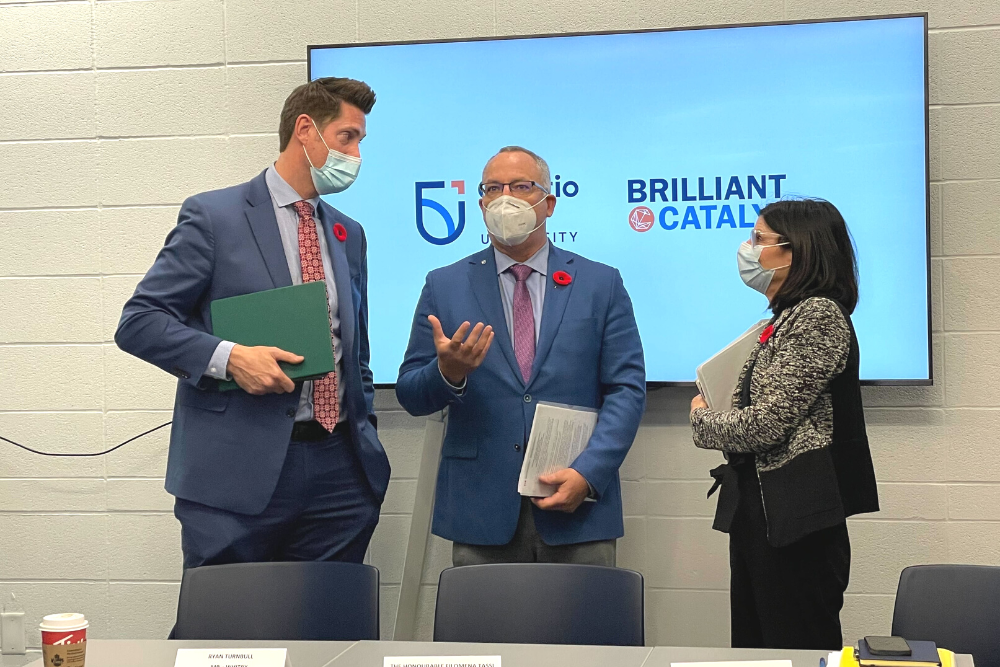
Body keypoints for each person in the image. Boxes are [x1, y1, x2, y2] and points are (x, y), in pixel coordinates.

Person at [115, 77, 390, 569]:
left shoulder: (351, 234)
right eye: (348, 137)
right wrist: (230, 358)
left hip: (339, 475)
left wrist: (364, 440)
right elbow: (140, 321)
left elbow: (356, 351)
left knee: (326, 635)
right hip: (236, 477)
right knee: (222, 634)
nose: (357, 154)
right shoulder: (215, 216)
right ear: (306, 130)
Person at [396, 146, 646, 567]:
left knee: (588, 631)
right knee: (485, 630)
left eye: (520, 186)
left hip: (578, 505)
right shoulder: (445, 284)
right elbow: (410, 394)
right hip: (480, 509)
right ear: (481, 205)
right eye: (493, 188)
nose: (505, 197)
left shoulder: (600, 283)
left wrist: (589, 473)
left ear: (548, 202)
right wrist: (448, 373)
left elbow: (626, 388)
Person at [689, 199, 879, 649]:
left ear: (796, 251)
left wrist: (702, 419)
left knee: (793, 648)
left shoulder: (818, 315)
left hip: (795, 522)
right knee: (758, 650)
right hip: (764, 511)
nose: (748, 248)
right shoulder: (785, 318)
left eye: (759, 239)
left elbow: (766, 425)